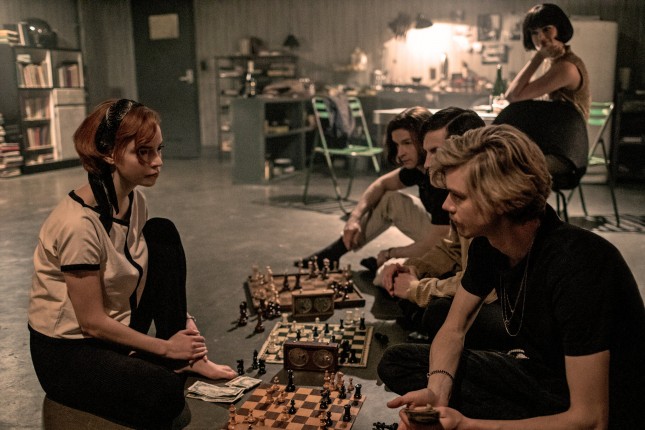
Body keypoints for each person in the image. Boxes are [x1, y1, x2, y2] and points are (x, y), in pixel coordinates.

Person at [379, 125, 645, 429]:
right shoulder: (488, 244)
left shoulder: (579, 265)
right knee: (399, 362)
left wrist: (467, 425)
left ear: (502, 199)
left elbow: (591, 419)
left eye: (458, 196)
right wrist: (437, 393)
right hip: (540, 374)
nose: (446, 205)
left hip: (606, 409)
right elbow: (453, 328)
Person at [28, 99, 237, 429]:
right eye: (144, 152)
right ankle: (167, 358)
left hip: (115, 323)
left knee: (162, 232)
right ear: (108, 153)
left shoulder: (135, 200)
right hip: (67, 352)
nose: (158, 161)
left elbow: (139, 274)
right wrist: (165, 349)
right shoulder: (77, 225)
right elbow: (92, 323)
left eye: (159, 150)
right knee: (166, 394)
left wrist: (181, 325)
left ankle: (188, 358)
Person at [377, 108, 507, 349]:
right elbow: (452, 249)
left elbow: (484, 286)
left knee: (435, 311)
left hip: (505, 306)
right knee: (405, 287)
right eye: (426, 152)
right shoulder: (460, 188)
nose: (427, 163)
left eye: (435, 151)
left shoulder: (490, 198)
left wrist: (417, 290)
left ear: (466, 147)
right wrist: (414, 267)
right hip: (473, 286)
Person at [298, 106, 450, 273]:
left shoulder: (440, 175)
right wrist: (354, 219)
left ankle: (385, 264)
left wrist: (391, 253)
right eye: (397, 145)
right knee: (390, 199)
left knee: (386, 276)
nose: (400, 153)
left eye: (407, 143)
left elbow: (436, 242)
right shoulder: (419, 167)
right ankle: (335, 252)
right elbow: (381, 184)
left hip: (453, 250)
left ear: (424, 139)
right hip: (438, 236)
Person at [505, 3, 590, 120]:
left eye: (546, 29)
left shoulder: (566, 67)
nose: (541, 37)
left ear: (559, 29)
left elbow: (512, 96)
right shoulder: (552, 60)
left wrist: (539, 56)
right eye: (534, 32)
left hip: (569, 130)